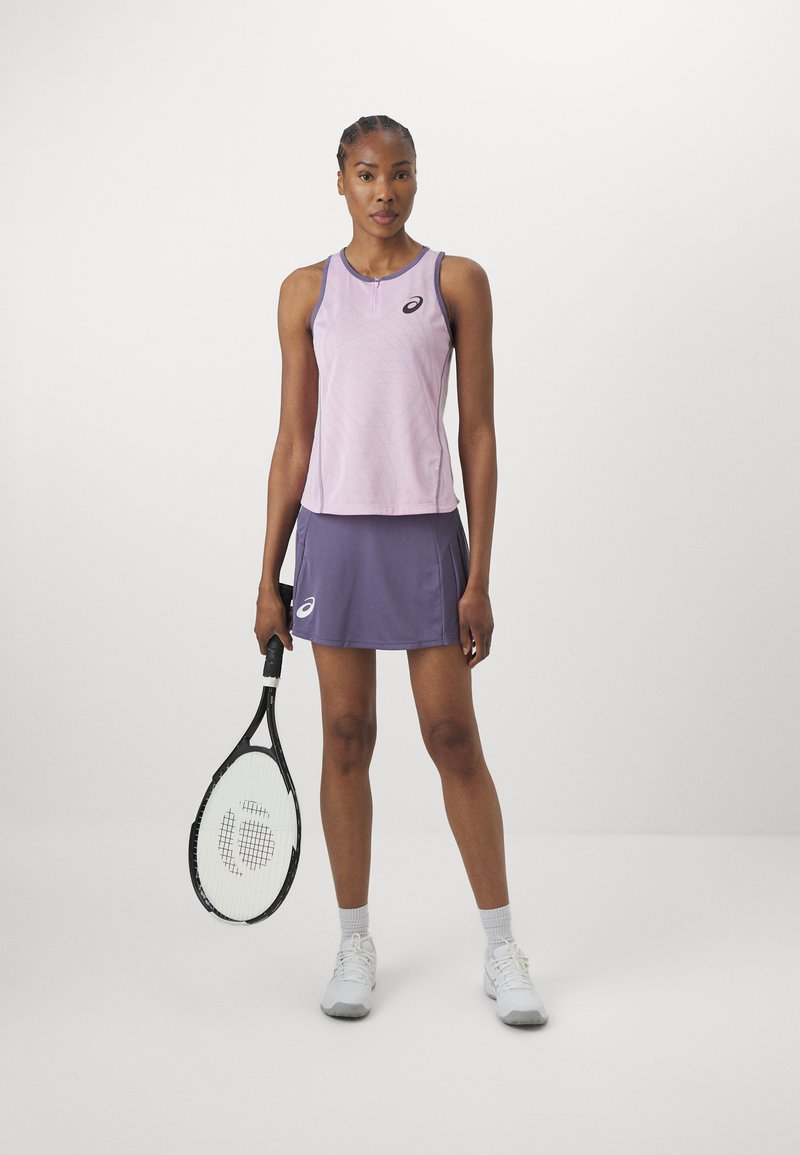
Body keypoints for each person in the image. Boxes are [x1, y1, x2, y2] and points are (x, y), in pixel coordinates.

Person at [254, 115, 548, 1027]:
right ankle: (354, 943)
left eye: (402, 173)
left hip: (425, 536)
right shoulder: (306, 291)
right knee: (346, 735)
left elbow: (479, 432)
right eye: (367, 173)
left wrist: (480, 573)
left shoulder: (456, 281)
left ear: (418, 180)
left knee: (452, 737)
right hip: (333, 538)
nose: (385, 191)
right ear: (341, 180)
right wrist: (266, 573)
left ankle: (502, 950)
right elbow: (294, 440)